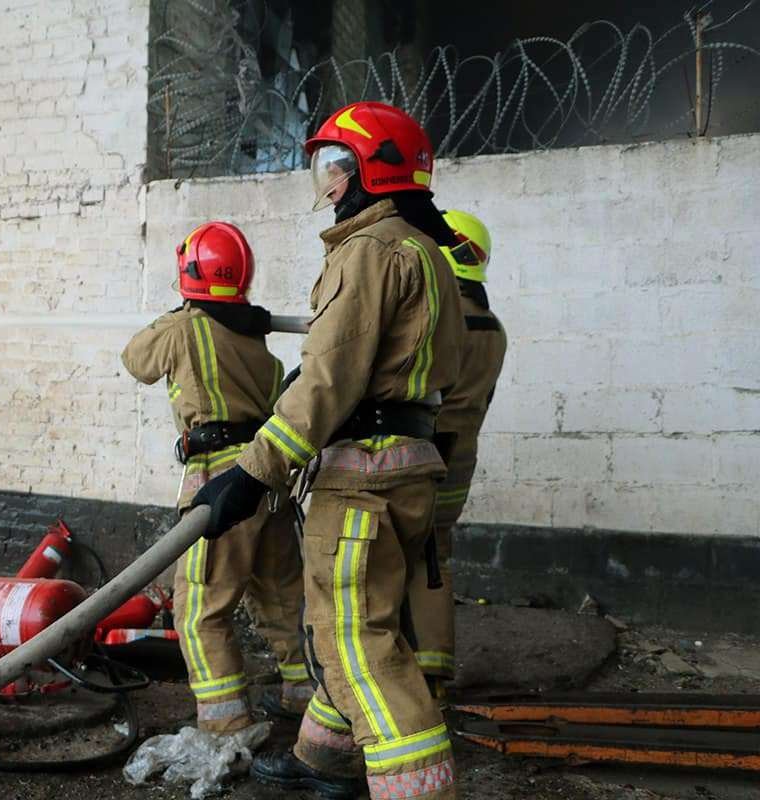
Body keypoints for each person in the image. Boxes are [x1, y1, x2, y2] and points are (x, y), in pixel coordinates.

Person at [192, 103, 464, 799]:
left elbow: (329, 378)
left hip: (361, 478)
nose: (330, 183)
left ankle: (419, 790)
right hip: (406, 468)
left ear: (375, 171)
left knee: (355, 641)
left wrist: (251, 474)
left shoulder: (367, 251)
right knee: (365, 617)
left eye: (338, 166)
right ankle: (325, 761)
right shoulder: (426, 252)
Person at [121, 220, 311, 734]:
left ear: (190, 277)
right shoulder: (265, 355)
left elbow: (136, 359)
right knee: (280, 596)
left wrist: (178, 313)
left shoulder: (185, 328)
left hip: (219, 485)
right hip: (268, 484)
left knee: (201, 607)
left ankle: (224, 726)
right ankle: (305, 695)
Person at [407, 210, 507, 698]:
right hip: (461, 459)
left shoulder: (438, 321)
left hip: (423, 456)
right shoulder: (493, 328)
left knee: (391, 557)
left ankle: (403, 674)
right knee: (433, 556)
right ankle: (434, 670)